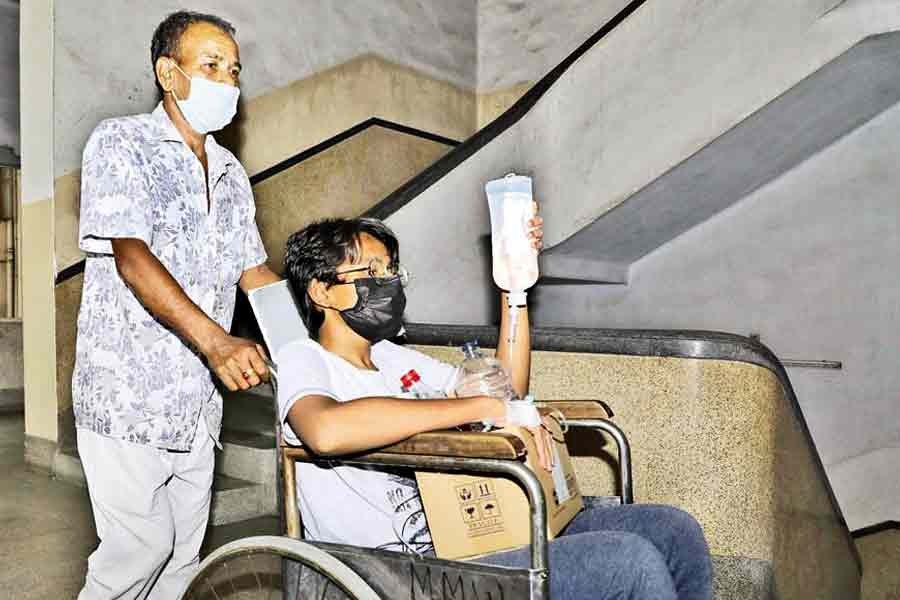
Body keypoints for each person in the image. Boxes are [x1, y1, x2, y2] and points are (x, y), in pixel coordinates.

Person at [277, 217, 714, 600]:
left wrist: (514, 287)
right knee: (627, 561)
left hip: (466, 537)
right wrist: (475, 407)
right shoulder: (305, 358)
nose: (388, 281)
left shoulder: (392, 357)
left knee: (673, 530)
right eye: (371, 271)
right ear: (322, 291)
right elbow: (324, 430)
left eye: (391, 271)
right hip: (395, 573)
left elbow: (503, 388)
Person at [73, 11, 280, 599]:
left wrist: (307, 355)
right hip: (128, 393)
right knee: (136, 554)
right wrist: (217, 341)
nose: (227, 80)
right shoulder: (121, 142)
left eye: (234, 69)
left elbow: (254, 271)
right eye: (210, 64)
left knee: (181, 560)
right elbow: (132, 258)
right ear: (170, 73)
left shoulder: (231, 172)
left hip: (197, 408)